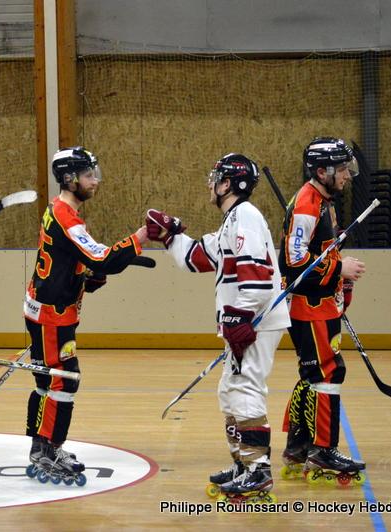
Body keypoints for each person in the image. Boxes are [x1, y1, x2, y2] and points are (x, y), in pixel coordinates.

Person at [148, 153, 290, 503]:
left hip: (256, 323)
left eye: (216, 178)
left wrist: (241, 317)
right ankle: (244, 463)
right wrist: (170, 236)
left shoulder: (246, 216)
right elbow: (198, 256)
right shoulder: (233, 221)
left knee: (245, 389)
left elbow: (255, 272)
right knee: (230, 391)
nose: (211, 183)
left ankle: (258, 472)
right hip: (245, 323)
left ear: (228, 184)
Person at [24, 147, 150, 486]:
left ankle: (41, 445)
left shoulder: (63, 209)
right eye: (89, 174)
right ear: (69, 178)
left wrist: (85, 277)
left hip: (47, 308)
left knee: (47, 380)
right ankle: (49, 448)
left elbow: (75, 260)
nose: (96, 180)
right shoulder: (66, 216)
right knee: (63, 380)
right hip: (53, 315)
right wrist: (141, 237)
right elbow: (103, 259)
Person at [279, 137, 367, 485]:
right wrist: (338, 269)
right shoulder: (307, 204)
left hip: (321, 305)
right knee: (328, 374)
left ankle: (299, 446)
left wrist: (337, 268)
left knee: (313, 374)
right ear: (321, 171)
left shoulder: (323, 201)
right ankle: (323, 450)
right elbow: (294, 261)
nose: (347, 175)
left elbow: (316, 249)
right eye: (342, 169)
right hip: (310, 308)